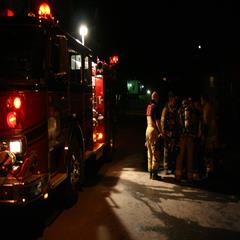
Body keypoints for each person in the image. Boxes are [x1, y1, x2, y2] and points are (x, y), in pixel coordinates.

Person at [175, 97, 199, 182]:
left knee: (180, 155)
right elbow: (194, 123)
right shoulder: (193, 111)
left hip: (182, 136)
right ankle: (190, 176)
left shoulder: (179, 111)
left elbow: (177, 124)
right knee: (190, 156)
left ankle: (178, 175)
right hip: (190, 137)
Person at [160, 92, 179, 174]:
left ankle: (172, 167)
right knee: (166, 150)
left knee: (173, 150)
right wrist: (164, 132)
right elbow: (162, 121)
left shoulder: (175, 108)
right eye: (173, 99)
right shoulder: (166, 109)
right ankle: (166, 167)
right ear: (171, 99)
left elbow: (178, 121)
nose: (174, 101)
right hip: (167, 133)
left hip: (174, 133)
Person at [145, 91, 162, 180]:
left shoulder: (148, 107)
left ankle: (150, 173)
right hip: (153, 131)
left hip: (147, 130)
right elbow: (157, 122)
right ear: (155, 98)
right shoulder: (156, 107)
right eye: (157, 98)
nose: (158, 100)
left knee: (149, 152)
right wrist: (161, 132)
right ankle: (155, 173)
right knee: (155, 152)